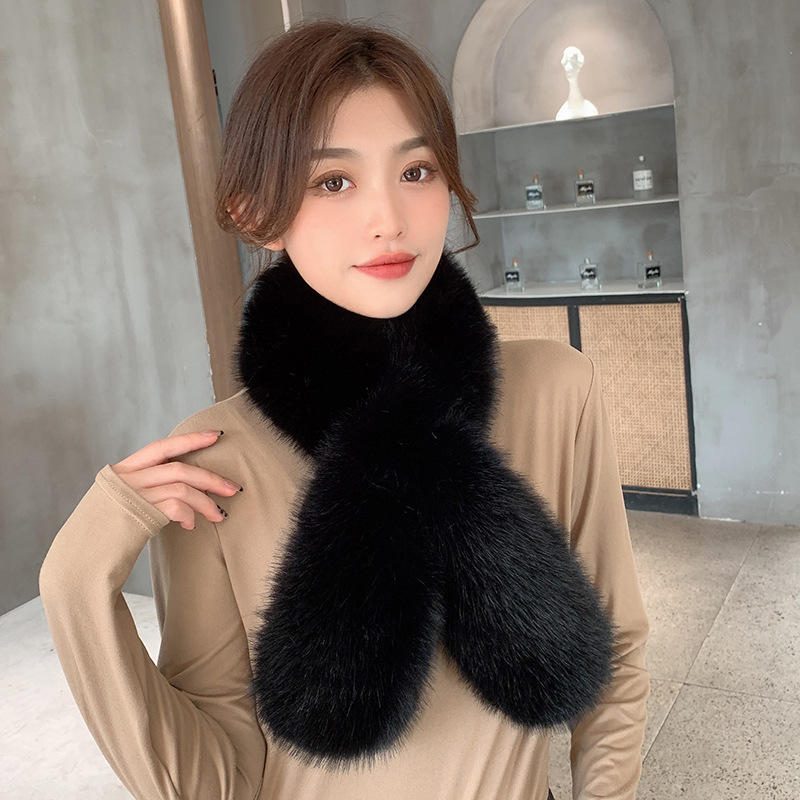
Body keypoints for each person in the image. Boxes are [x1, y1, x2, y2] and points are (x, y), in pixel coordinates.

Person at [39, 18, 650, 800]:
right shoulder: (212, 459)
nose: (388, 217)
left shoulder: (556, 390)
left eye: (417, 170)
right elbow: (218, 776)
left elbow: (618, 647)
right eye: (333, 181)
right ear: (255, 212)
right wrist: (75, 576)